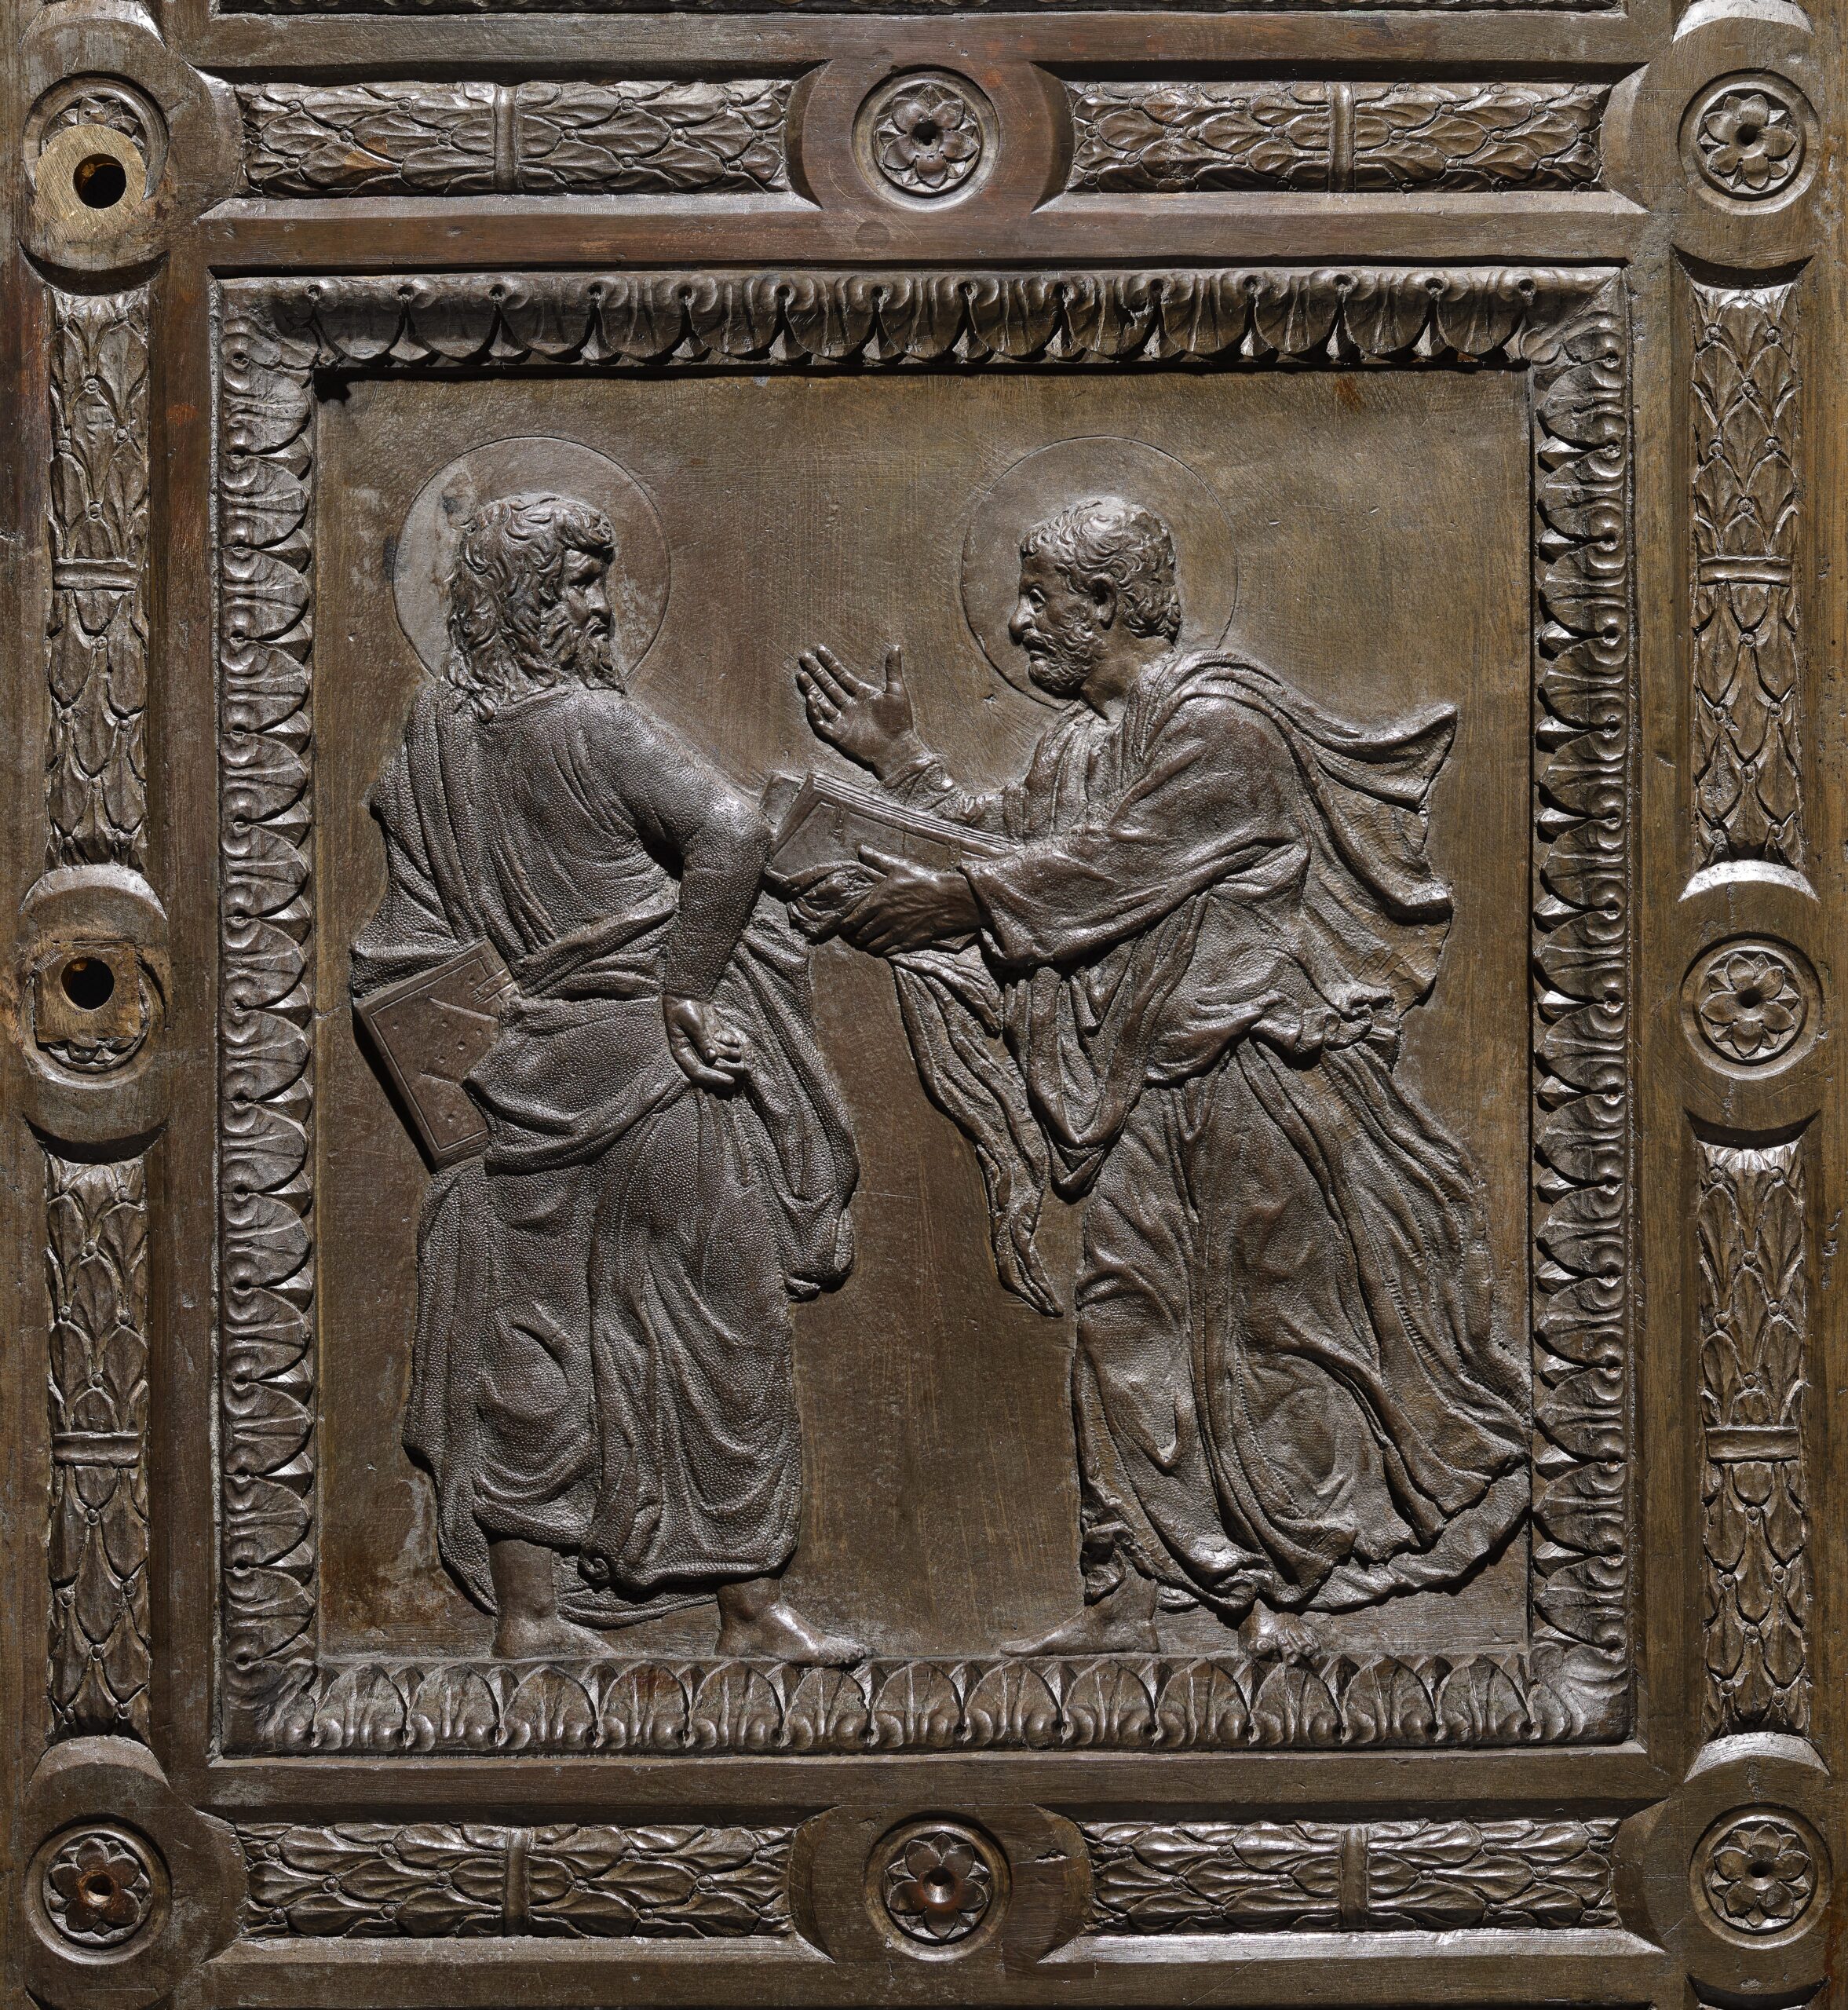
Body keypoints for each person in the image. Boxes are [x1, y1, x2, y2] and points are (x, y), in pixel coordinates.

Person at [794, 495, 1527, 1654]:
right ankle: (1137, 1594)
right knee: (1124, 1321)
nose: (1019, 625)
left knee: (1272, 1334)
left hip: (1258, 1087)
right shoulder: (1083, 744)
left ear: (1104, 602)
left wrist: (957, 900)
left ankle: (1291, 1580)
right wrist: (904, 770)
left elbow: (1112, 867)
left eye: (1040, 599)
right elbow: (1021, 845)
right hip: (1146, 1095)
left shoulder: (1221, 726)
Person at [353, 491, 862, 1664]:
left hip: (523, 1074)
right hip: (653, 1066)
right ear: (525, 599)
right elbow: (731, 830)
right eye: (577, 583)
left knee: (533, 1339)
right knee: (722, 1323)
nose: (600, 607)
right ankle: (749, 1612)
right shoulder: (592, 724)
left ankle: (529, 1618)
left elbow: (408, 942)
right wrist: (689, 986)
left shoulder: (435, 743)